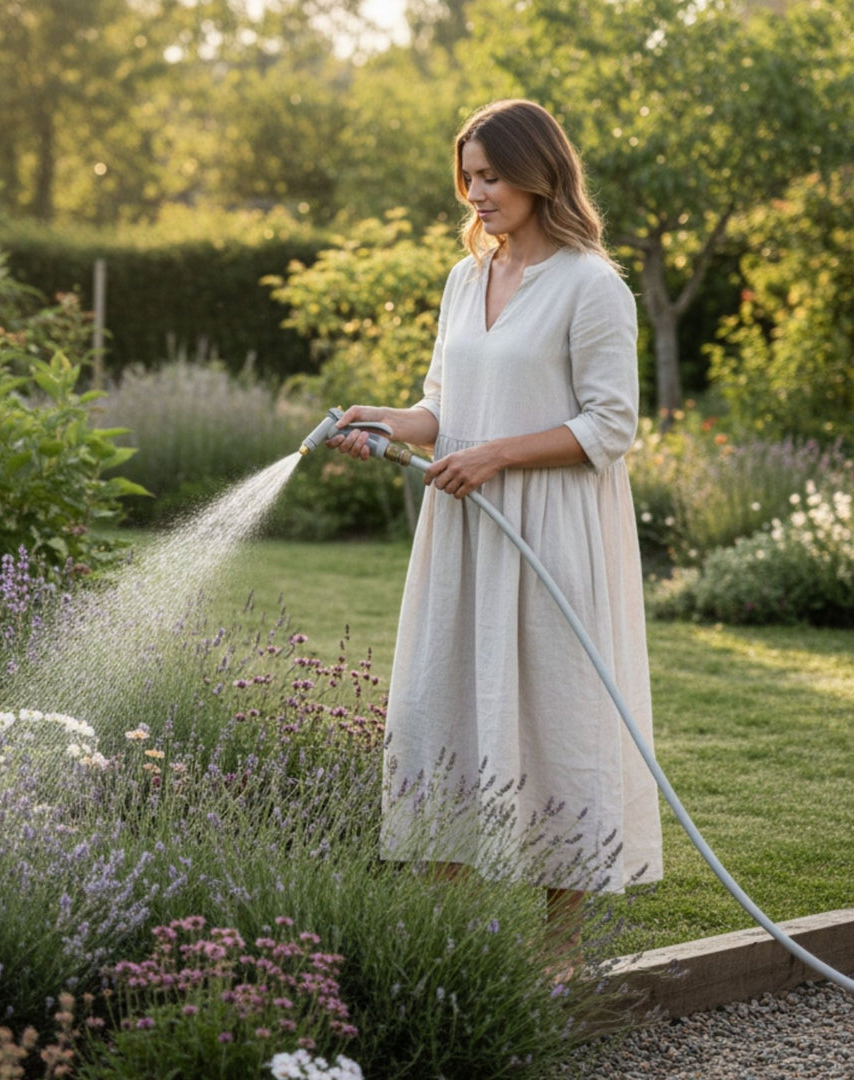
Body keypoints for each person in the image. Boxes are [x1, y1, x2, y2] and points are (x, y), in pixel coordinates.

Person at [328, 99, 663, 954]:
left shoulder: (593, 286)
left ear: (540, 173)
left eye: (492, 176)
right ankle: (450, 936)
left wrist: (499, 457)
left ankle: (560, 947)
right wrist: (387, 420)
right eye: (468, 177)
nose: (476, 193)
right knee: (446, 708)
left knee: (558, 717)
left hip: (548, 534)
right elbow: (443, 404)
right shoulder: (465, 277)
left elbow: (611, 427)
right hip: (465, 532)